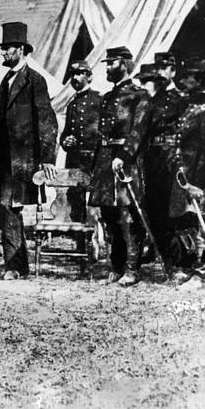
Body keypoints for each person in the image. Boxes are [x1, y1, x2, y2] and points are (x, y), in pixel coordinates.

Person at [0, 22, 58, 279]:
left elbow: (47, 121)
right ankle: (16, 265)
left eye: (7, 49)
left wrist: (48, 158)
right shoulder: (6, 80)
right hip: (3, 161)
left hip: (22, 160)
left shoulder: (34, 81)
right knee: (3, 209)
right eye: (3, 48)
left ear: (21, 50)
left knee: (9, 208)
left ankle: (14, 267)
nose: (3, 53)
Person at [87, 46, 151, 287]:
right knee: (109, 216)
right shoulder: (107, 97)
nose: (107, 68)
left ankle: (132, 270)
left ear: (125, 64)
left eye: (111, 63)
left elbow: (138, 131)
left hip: (126, 164)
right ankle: (115, 266)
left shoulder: (139, 95)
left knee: (129, 217)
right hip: (106, 162)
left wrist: (124, 156)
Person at [134, 54, 191, 280]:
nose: (160, 73)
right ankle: (166, 263)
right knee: (155, 211)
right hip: (152, 159)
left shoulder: (181, 99)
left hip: (173, 160)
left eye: (165, 68)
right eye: (157, 69)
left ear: (173, 72)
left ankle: (181, 264)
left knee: (175, 213)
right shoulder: (151, 99)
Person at [167, 56, 205, 279]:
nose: (184, 80)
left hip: (196, 178)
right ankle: (189, 266)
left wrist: (199, 184)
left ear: (199, 80)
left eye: (189, 76)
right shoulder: (189, 107)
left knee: (200, 223)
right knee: (184, 221)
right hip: (182, 174)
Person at [60, 60, 101, 223]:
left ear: (89, 77)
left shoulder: (99, 100)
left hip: (93, 160)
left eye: (79, 74)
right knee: (75, 200)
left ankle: (97, 240)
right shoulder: (71, 105)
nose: (74, 78)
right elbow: (65, 134)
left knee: (95, 203)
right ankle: (79, 239)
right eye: (72, 75)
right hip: (74, 161)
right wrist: (65, 142)